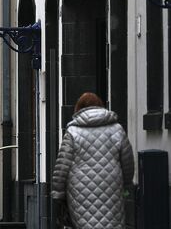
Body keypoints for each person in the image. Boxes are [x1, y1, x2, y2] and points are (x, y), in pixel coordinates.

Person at [51, 92, 134, 229]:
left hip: (80, 192)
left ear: (78, 109)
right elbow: (127, 163)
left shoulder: (73, 132)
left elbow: (62, 167)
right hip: (111, 189)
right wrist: (125, 185)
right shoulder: (117, 130)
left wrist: (58, 193)